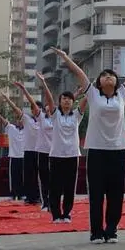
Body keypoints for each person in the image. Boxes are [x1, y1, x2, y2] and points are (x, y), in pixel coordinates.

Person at [52, 47, 125, 244]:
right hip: (97, 151)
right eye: (104, 75)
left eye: (111, 75)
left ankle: (111, 229)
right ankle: (96, 232)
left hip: (118, 150)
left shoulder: (122, 94)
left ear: (116, 81)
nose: (108, 77)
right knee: (97, 193)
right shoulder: (92, 94)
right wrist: (65, 57)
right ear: (99, 82)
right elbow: (79, 73)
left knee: (116, 193)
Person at [41, 78, 87, 223]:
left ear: (73, 102)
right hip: (56, 155)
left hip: (72, 155)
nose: (67, 101)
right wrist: (44, 83)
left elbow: (85, 100)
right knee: (55, 186)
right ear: (60, 102)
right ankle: (56, 214)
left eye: (69, 99)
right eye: (64, 99)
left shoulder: (77, 115)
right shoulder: (55, 115)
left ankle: (66, 213)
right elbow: (49, 100)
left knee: (69, 187)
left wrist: (89, 89)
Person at [13, 78, 54, 211]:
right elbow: (30, 104)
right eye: (43, 108)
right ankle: (38, 199)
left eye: (48, 108)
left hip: (53, 152)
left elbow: (64, 102)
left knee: (51, 178)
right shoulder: (39, 119)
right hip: (38, 151)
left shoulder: (56, 118)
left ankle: (50, 200)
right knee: (35, 176)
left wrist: (79, 94)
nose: (46, 109)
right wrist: (23, 89)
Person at [0, 89, 41, 206]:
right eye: (34, 108)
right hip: (28, 152)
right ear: (32, 111)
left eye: (39, 109)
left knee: (39, 176)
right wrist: (7, 99)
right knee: (28, 176)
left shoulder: (45, 120)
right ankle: (29, 197)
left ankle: (40, 197)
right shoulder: (27, 120)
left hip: (40, 152)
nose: (36, 110)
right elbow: (16, 109)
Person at [0, 103, 25, 200]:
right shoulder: (11, 128)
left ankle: (22, 194)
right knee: (13, 177)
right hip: (14, 157)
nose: (20, 121)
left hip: (25, 157)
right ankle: (13, 194)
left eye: (21, 119)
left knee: (23, 177)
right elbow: (2, 119)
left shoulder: (28, 130)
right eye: (18, 119)